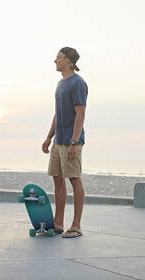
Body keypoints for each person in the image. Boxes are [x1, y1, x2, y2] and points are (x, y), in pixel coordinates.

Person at [42, 47, 88, 238]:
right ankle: (58, 223)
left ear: (68, 61)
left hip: (72, 141)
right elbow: (57, 114)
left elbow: (80, 114)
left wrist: (74, 142)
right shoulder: (61, 84)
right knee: (57, 179)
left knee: (74, 179)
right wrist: (48, 137)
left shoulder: (78, 83)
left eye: (58, 58)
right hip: (58, 141)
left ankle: (76, 226)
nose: (55, 61)